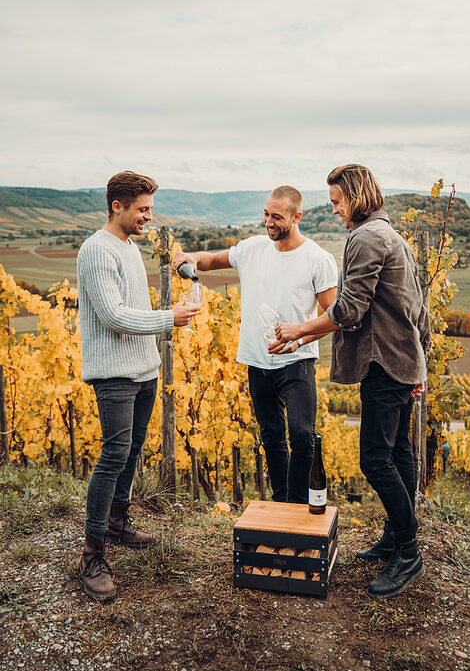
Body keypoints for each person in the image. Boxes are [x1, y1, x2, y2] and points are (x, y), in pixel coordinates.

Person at [275, 164, 430, 599]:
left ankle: (409, 553)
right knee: (398, 452)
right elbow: (417, 305)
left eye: (338, 202)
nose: (335, 210)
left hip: (384, 362)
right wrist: (419, 360)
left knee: (375, 460)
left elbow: (349, 310)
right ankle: (397, 537)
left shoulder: (366, 238)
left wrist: (299, 330)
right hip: (400, 359)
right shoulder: (390, 234)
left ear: (357, 196)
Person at [171, 186, 338, 504]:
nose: (269, 222)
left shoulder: (318, 259)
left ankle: (299, 504)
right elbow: (209, 261)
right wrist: (192, 257)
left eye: (277, 216)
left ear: (297, 217)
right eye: (266, 214)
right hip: (257, 362)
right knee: (271, 437)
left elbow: (333, 318)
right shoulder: (252, 249)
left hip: (296, 361)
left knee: (302, 436)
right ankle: (282, 504)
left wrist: (300, 338)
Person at [77, 171, 198, 601]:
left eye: (150, 208)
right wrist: (170, 318)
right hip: (114, 373)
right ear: (118, 207)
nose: (149, 216)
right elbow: (113, 316)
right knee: (113, 455)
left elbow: (132, 311)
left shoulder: (128, 247)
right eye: (143, 209)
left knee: (131, 450)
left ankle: (117, 522)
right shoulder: (96, 250)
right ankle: (91, 555)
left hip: (145, 368)